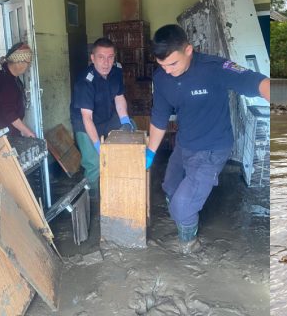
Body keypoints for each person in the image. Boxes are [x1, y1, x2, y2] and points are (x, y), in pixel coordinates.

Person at [146, 24, 270, 253]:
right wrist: (151, 152)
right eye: (162, 65)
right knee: (170, 186)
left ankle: (189, 245)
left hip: (212, 149)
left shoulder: (214, 67)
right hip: (184, 145)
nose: (168, 70)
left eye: (173, 63)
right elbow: (160, 116)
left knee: (182, 206)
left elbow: (257, 82)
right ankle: (185, 219)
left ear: (188, 50)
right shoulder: (162, 78)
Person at [70, 37, 136, 194]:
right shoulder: (85, 82)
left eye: (110, 57)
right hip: (85, 123)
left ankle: (124, 181)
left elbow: (119, 98)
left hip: (106, 117)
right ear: (92, 58)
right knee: (94, 163)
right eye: (101, 57)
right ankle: (93, 197)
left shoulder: (116, 72)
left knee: (132, 128)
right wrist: (98, 147)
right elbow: (87, 118)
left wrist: (125, 121)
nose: (106, 63)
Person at [0, 42, 36, 137]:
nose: (28, 66)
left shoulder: (8, 74)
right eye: (26, 62)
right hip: (2, 132)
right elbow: (9, 112)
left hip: (8, 129)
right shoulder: (5, 79)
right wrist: (27, 131)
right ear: (18, 61)